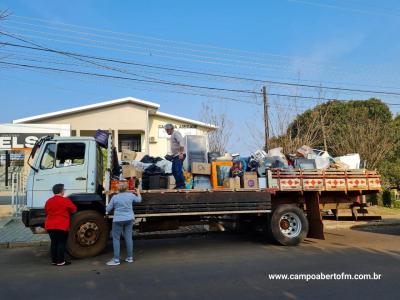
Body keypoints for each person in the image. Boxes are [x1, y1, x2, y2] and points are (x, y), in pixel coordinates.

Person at [106, 182, 142, 266]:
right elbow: (139, 200)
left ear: (118, 189)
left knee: (116, 239)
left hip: (118, 220)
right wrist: (138, 192)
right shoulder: (130, 195)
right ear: (126, 188)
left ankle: (116, 260)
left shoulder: (115, 197)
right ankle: (130, 258)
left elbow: (108, 209)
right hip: (129, 218)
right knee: (128, 238)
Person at [44, 184, 77, 266]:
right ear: (61, 191)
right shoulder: (65, 200)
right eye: (63, 190)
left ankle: (54, 261)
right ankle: (61, 261)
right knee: (61, 243)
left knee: (54, 243)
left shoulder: (49, 201)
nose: (64, 191)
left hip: (50, 225)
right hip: (61, 225)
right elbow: (74, 210)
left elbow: (47, 211)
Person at [164, 123, 186, 189]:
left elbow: (181, 142)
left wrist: (181, 153)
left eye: (168, 130)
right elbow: (176, 146)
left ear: (172, 129)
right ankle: (179, 184)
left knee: (177, 170)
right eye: (166, 130)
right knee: (174, 171)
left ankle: (181, 185)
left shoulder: (176, 133)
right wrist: (171, 156)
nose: (167, 131)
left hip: (179, 154)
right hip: (176, 155)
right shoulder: (172, 135)